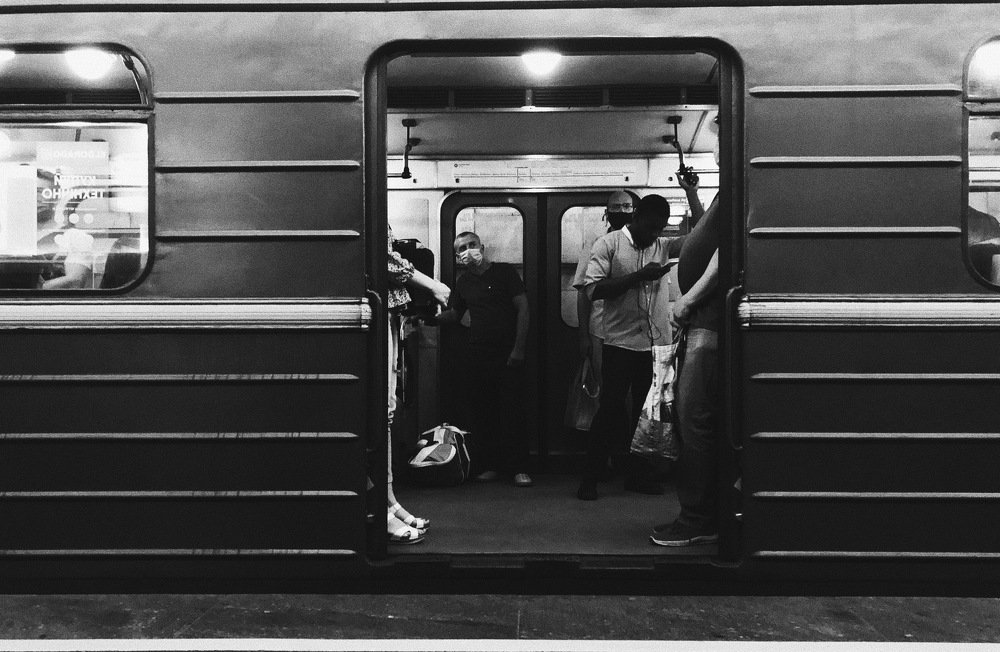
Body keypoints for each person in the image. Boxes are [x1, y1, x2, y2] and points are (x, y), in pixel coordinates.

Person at [575, 194, 675, 501]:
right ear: (637, 217)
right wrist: (638, 277)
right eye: (651, 227)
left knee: (647, 415)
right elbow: (593, 290)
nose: (655, 234)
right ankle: (590, 478)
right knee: (610, 410)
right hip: (619, 343)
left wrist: (691, 193)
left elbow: (703, 236)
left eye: (660, 228)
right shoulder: (608, 244)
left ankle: (637, 476)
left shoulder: (663, 246)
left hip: (654, 345)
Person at [651, 136, 723, 547]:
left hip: (709, 319)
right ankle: (703, 511)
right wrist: (693, 194)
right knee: (694, 417)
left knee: (693, 417)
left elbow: (727, 251)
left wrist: (689, 299)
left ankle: (698, 517)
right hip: (701, 319)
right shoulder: (725, 193)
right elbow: (705, 236)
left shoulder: (741, 186)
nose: (716, 145)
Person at [432, 231, 532, 487]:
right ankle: (490, 466)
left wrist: (519, 348)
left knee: (513, 410)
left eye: (472, 245)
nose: (468, 251)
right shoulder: (464, 282)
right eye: (462, 248)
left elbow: (523, 307)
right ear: (457, 256)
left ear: (482, 247)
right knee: (484, 412)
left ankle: (519, 467)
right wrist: (427, 318)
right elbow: (455, 314)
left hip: (508, 351)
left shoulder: (505, 272)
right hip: (479, 353)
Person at [387, 225, 451, 544]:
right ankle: (381, 507)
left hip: (390, 313)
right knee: (381, 411)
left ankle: (388, 501)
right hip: (381, 311)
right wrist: (432, 285)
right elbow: (382, 258)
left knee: (387, 410)